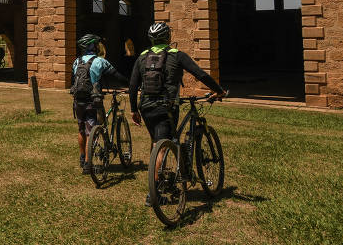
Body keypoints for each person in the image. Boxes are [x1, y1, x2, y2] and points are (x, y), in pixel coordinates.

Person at [128, 22, 227, 204]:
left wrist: (134, 109)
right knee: (163, 145)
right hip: (167, 106)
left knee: (157, 142)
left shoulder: (142, 57)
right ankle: (155, 194)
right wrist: (218, 90)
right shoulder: (176, 55)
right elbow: (200, 74)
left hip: (146, 106)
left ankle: (159, 177)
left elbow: (133, 85)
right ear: (168, 38)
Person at [72, 34, 129, 174]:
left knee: (81, 129)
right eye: (97, 45)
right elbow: (116, 76)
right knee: (91, 131)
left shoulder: (76, 61)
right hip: (93, 101)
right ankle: (87, 164)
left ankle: (82, 158)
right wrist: (130, 84)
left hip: (78, 101)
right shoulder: (99, 61)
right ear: (93, 46)